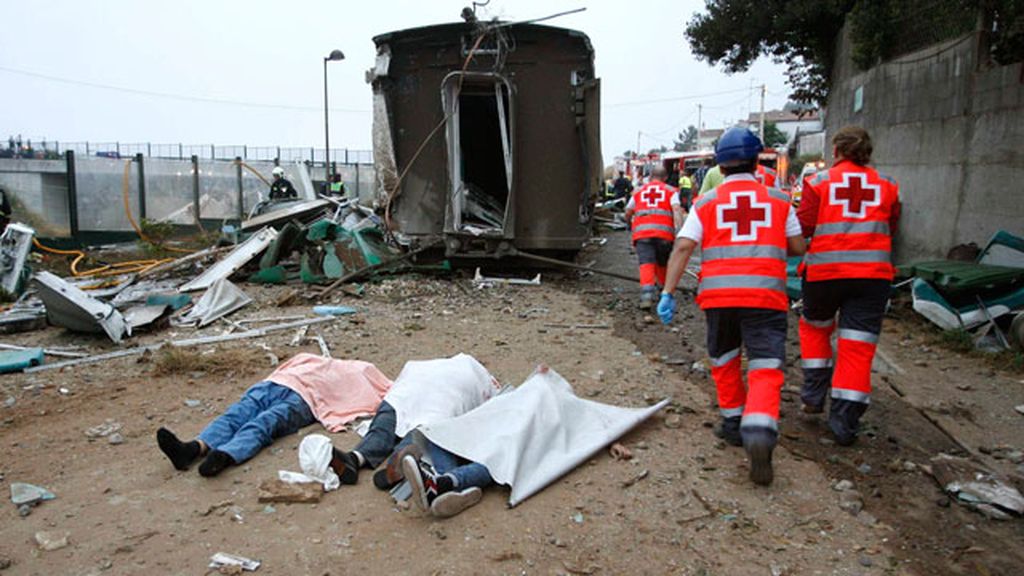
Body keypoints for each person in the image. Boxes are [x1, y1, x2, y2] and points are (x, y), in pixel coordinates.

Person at [657, 127, 805, 486]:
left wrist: (668, 291)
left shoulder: (706, 204)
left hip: (719, 298)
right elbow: (798, 246)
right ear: (757, 163)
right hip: (766, 297)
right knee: (766, 365)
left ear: (719, 168)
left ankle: (733, 422)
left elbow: (682, 247)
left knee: (723, 359)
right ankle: (759, 427)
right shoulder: (779, 200)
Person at [796, 126, 900, 446]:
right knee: (857, 347)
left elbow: (804, 225)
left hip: (825, 275)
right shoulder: (888, 186)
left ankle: (813, 396)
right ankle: (844, 422)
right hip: (872, 278)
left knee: (815, 329)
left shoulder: (818, 182)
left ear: (837, 151)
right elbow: (891, 226)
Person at [155, 353, 392, 477]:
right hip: (281, 383)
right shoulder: (315, 359)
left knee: (265, 421)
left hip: (307, 398)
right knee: (237, 414)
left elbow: (380, 392)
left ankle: (226, 454)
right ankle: (195, 448)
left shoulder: (363, 369)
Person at [326, 354, 500, 488]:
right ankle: (402, 457)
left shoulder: (422, 365)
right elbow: (491, 409)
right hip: (445, 399)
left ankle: (356, 458)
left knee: (385, 425)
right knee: (422, 429)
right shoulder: (478, 373)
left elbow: (394, 386)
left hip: (405, 391)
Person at [624, 165, 685, 309]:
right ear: (665, 178)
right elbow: (676, 209)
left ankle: (646, 296)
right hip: (665, 235)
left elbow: (628, 210)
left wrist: (628, 223)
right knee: (662, 263)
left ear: (650, 177)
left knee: (646, 262)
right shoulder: (671, 191)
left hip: (642, 234)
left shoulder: (639, 191)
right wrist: (680, 231)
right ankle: (664, 292)